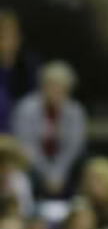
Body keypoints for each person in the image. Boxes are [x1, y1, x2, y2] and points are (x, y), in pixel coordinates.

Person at [12, 63, 88, 199]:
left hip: (65, 171)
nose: (56, 91)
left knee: (84, 162)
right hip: (33, 168)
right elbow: (26, 146)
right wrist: (48, 175)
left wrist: (58, 174)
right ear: (43, 86)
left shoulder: (75, 111)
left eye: (61, 87)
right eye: (52, 86)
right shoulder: (26, 108)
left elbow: (74, 147)